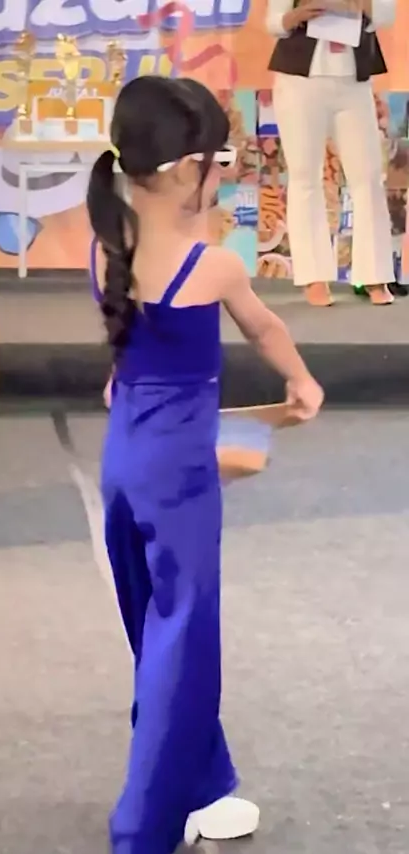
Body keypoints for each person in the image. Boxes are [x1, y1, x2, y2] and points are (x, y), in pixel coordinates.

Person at [87, 74, 324, 854]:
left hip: (125, 457)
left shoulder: (106, 246)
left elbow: (123, 351)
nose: (224, 174)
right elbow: (264, 330)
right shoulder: (210, 265)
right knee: (184, 645)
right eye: (221, 160)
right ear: (189, 169)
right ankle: (143, 828)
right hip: (180, 473)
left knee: (155, 633)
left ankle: (203, 785)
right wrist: (301, 382)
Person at [266, 0, 396, 307]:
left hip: (353, 83)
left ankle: (375, 275)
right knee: (305, 177)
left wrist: (360, 5)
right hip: (299, 82)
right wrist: (296, 16)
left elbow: (387, 13)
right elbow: (273, 22)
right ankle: (314, 277)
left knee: (367, 178)